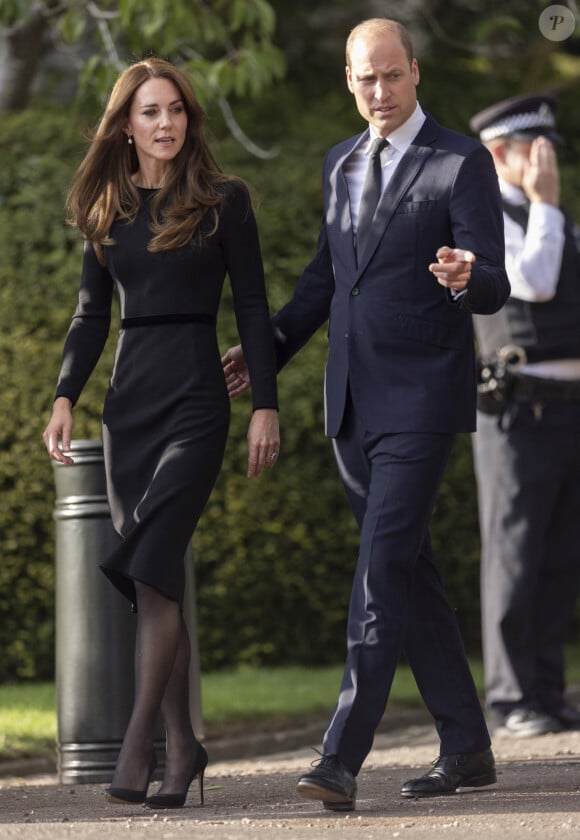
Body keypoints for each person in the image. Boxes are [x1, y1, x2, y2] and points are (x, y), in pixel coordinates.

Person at [222, 18, 509, 810]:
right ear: (348, 81)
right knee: (410, 576)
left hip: (422, 399)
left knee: (380, 574)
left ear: (415, 72)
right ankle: (469, 748)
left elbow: (493, 284)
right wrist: (269, 350)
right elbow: (327, 280)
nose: (378, 93)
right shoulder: (340, 163)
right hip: (350, 401)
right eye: (364, 80)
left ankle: (341, 756)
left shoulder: (461, 161)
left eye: (391, 76)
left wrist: (464, 275)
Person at [42, 57, 280, 808]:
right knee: (154, 583)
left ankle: (139, 742)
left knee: (152, 561)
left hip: (196, 405)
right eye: (150, 112)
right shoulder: (104, 208)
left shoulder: (223, 202)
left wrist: (265, 405)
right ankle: (183, 751)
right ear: (125, 124)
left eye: (175, 109)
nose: (166, 123)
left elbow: (251, 309)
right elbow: (89, 316)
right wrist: (63, 397)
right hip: (128, 408)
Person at [469, 94, 580, 738]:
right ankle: (512, 697)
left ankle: (546, 688)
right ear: (496, 156)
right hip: (517, 412)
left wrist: (548, 209)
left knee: (561, 555)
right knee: (515, 553)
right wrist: (545, 202)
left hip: (566, 409)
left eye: (548, 150)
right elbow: (532, 283)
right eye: (530, 150)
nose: (545, 162)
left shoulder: (551, 219)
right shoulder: (488, 224)